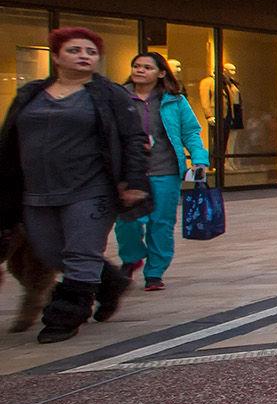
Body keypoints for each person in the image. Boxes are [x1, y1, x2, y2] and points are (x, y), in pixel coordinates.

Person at [0, 27, 150, 343]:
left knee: (81, 252)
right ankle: (110, 284)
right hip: (36, 191)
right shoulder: (31, 94)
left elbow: (134, 139)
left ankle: (64, 317)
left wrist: (134, 181)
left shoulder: (109, 94)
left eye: (90, 52)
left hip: (90, 189)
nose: (84, 56)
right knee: (52, 252)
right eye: (75, 50)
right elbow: (10, 139)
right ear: (56, 56)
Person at [115, 51, 210, 292]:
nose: (140, 70)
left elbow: (190, 131)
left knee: (161, 223)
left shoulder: (174, 100)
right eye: (136, 66)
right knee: (128, 223)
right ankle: (132, 257)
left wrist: (199, 159)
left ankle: (155, 272)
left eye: (147, 67)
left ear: (161, 73)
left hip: (165, 170)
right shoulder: (118, 98)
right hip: (130, 173)